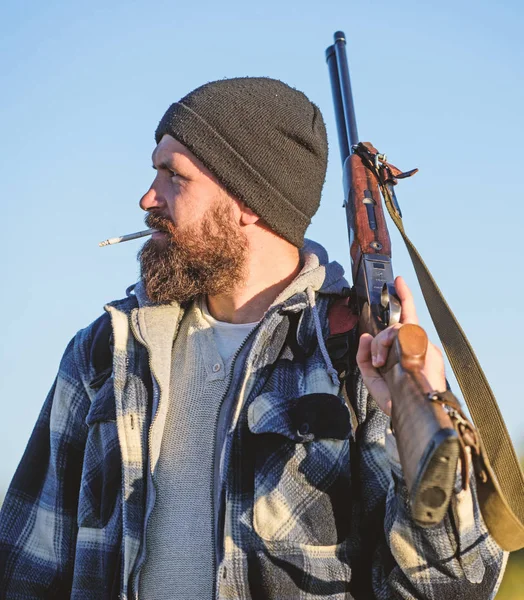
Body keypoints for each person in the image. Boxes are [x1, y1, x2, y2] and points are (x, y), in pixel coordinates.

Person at [0, 77, 505, 599]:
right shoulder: (104, 353)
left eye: (173, 176)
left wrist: (413, 420)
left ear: (247, 200)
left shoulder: (352, 356)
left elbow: (453, 589)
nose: (147, 198)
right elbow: (23, 571)